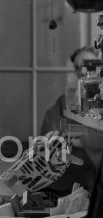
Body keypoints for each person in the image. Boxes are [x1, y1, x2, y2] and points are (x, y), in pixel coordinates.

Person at [41, 45, 100, 196]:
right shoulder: (66, 100)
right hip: (57, 186)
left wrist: (77, 135)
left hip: (91, 187)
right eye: (78, 66)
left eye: (89, 62)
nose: (84, 69)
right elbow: (51, 135)